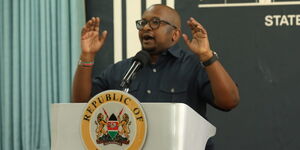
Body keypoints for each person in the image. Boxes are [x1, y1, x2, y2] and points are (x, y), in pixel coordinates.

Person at [72, 4, 240, 150]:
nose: (146, 27)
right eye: (143, 23)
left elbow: (229, 101)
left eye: (155, 23)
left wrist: (206, 55)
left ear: (174, 34)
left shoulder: (193, 66)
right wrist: (87, 55)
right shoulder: (122, 70)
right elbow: (81, 105)